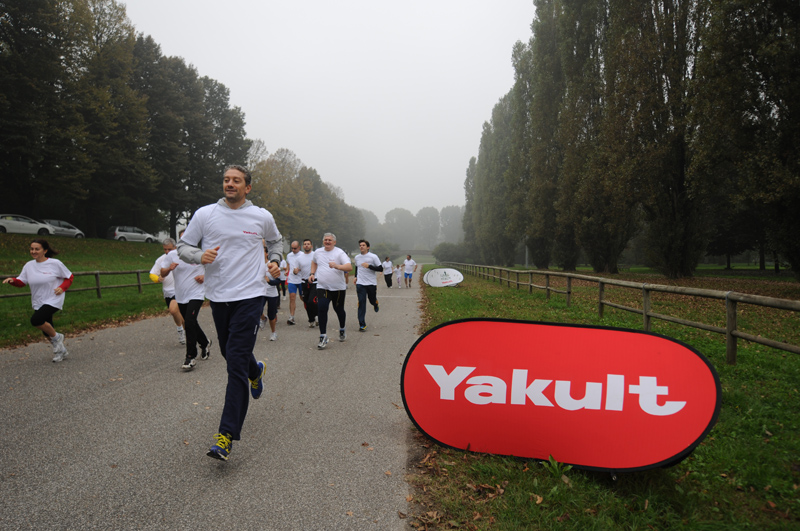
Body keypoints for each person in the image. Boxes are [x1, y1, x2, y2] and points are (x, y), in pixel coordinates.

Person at [178, 164, 282, 461]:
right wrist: (199, 255)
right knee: (229, 352)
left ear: (247, 187)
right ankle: (255, 371)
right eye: (226, 180)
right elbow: (184, 247)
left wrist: (275, 260)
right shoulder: (205, 214)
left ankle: (225, 436)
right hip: (219, 296)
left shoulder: (261, 216)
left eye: (236, 180)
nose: (230, 184)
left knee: (234, 363)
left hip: (251, 295)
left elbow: (276, 241)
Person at [3, 239, 73, 362]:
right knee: (47, 329)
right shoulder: (28, 265)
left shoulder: (55, 263)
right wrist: (13, 281)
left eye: (37, 249)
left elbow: (69, 277)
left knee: (36, 320)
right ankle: (61, 351)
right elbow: (22, 282)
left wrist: (62, 288)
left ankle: (58, 337)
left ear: (45, 251)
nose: (33, 251)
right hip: (38, 300)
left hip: (54, 299)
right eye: (32, 249)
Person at [162, 231, 211, 371]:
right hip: (181, 295)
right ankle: (205, 342)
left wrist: (204, 276)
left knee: (189, 322)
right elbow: (162, 272)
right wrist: (169, 269)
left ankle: (190, 357)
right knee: (191, 322)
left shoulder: (202, 253)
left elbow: (214, 270)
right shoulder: (172, 255)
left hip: (196, 293)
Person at [308, 232, 352, 349]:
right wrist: (312, 273)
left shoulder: (339, 253)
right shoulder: (318, 252)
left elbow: (349, 267)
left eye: (330, 240)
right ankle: (323, 336)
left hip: (338, 288)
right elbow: (314, 262)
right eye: (325, 240)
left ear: (334, 242)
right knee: (322, 309)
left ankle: (342, 328)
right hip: (322, 286)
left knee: (339, 310)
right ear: (323, 241)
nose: (327, 242)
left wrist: (337, 266)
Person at [149, 238, 185, 345]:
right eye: (165, 249)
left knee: (173, 310)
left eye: (169, 249)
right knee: (178, 314)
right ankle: (184, 330)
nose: (167, 252)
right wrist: (157, 278)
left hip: (179, 290)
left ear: (175, 247)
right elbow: (152, 273)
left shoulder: (181, 257)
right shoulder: (161, 260)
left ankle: (182, 331)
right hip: (167, 292)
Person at [353, 240, 382, 331]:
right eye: (360, 245)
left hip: (371, 283)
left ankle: (375, 303)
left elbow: (380, 268)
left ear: (368, 247)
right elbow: (357, 267)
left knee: (371, 300)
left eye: (363, 245)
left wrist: (369, 266)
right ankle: (362, 324)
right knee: (361, 302)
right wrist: (355, 277)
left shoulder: (373, 257)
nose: (361, 247)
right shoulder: (357, 257)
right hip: (360, 283)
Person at [259, 245, 281, 341]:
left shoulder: (271, 265)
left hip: (272, 293)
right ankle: (263, 318)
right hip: (261, 293)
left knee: (272, 315)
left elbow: (278, 281)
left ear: (267, 253)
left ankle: (273, 333)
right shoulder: (257, 265)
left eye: (262, 252)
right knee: (257, 310)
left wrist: (269, 281)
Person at [299, 239, 318, 327]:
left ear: (311, 246)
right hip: (304, 282)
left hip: (314, 282)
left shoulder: (315, 255)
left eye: (308, 244)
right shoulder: (299, 258)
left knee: (312, 301)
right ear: (303, 246)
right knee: (306, 302)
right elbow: (296, 269)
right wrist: (295, 271)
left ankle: (317, 315)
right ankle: (311, 319)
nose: (306, 245)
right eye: (305, 244)